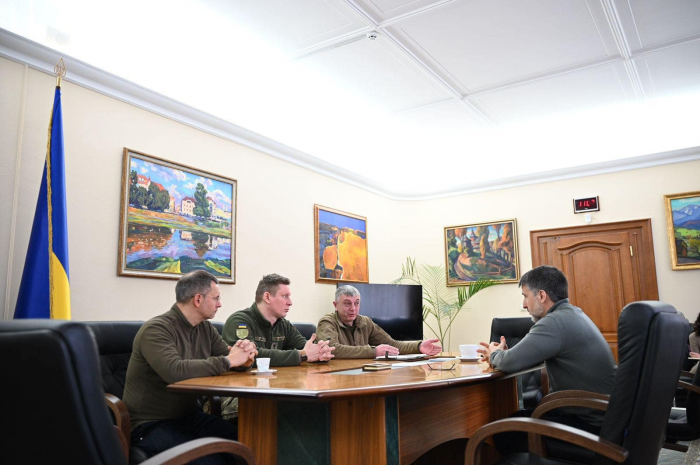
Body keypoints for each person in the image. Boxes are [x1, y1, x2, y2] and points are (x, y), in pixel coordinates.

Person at [477, 265, 617, 456]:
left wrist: (494, 353)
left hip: (588, 424)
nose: (524, 305)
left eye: (525, 296)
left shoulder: (553, 323)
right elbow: (523, 357)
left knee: (504, 432)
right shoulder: (573, 314)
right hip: (603, 418)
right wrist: (509, 354)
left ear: (541, 296)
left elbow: (508, 363)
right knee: (516, 420)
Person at [123, 270, 257, 463]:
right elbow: (174, 371)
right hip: (150, 425)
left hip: (189, 417)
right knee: (213, 462)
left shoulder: (204, 328)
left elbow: (228, 357)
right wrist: (230, 360)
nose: (220, 304)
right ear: (197, 299)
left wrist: (245, 357)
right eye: (216, 298)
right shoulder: (156, 329)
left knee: (250, 443)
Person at [222, 273, 334, 366]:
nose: (290, 302)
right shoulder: (239, 321)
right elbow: (248, 356)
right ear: (267, 297)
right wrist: (301, 355)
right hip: (244, 387)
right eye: (285, 296)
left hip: (278, 385)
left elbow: (304, 346)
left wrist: (320, 351)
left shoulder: (283, 324)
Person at [316, 284, 442, 358]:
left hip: (361, 374)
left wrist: (418, 346)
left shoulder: (365, 322)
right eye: (347, 304)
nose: (353, 309)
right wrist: (373, 351)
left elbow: (392, 344)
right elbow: (332, 349)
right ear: (335, 305)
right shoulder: (327, 322)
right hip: (337, 378)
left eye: (357, 303)